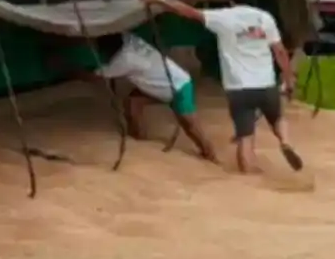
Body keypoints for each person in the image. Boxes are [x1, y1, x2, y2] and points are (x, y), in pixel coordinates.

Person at [137, 0, 302, 173]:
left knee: (245, 137)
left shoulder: (222, 17)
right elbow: (280, 51)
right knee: (278, 119)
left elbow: (186, 11)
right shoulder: (264, 18)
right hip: (265, 84)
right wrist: (288, 78)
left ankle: (248, 179)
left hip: (238, 89)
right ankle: (284, 141)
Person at [50, 32, 218, 163]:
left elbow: (96, 77)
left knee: (191, 127)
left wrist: (68, 69)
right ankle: (139, 140)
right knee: (132, 103)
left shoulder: (125, 60)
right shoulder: (129, 38)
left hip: (178, 87)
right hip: (158, 86)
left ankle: (210, 156)